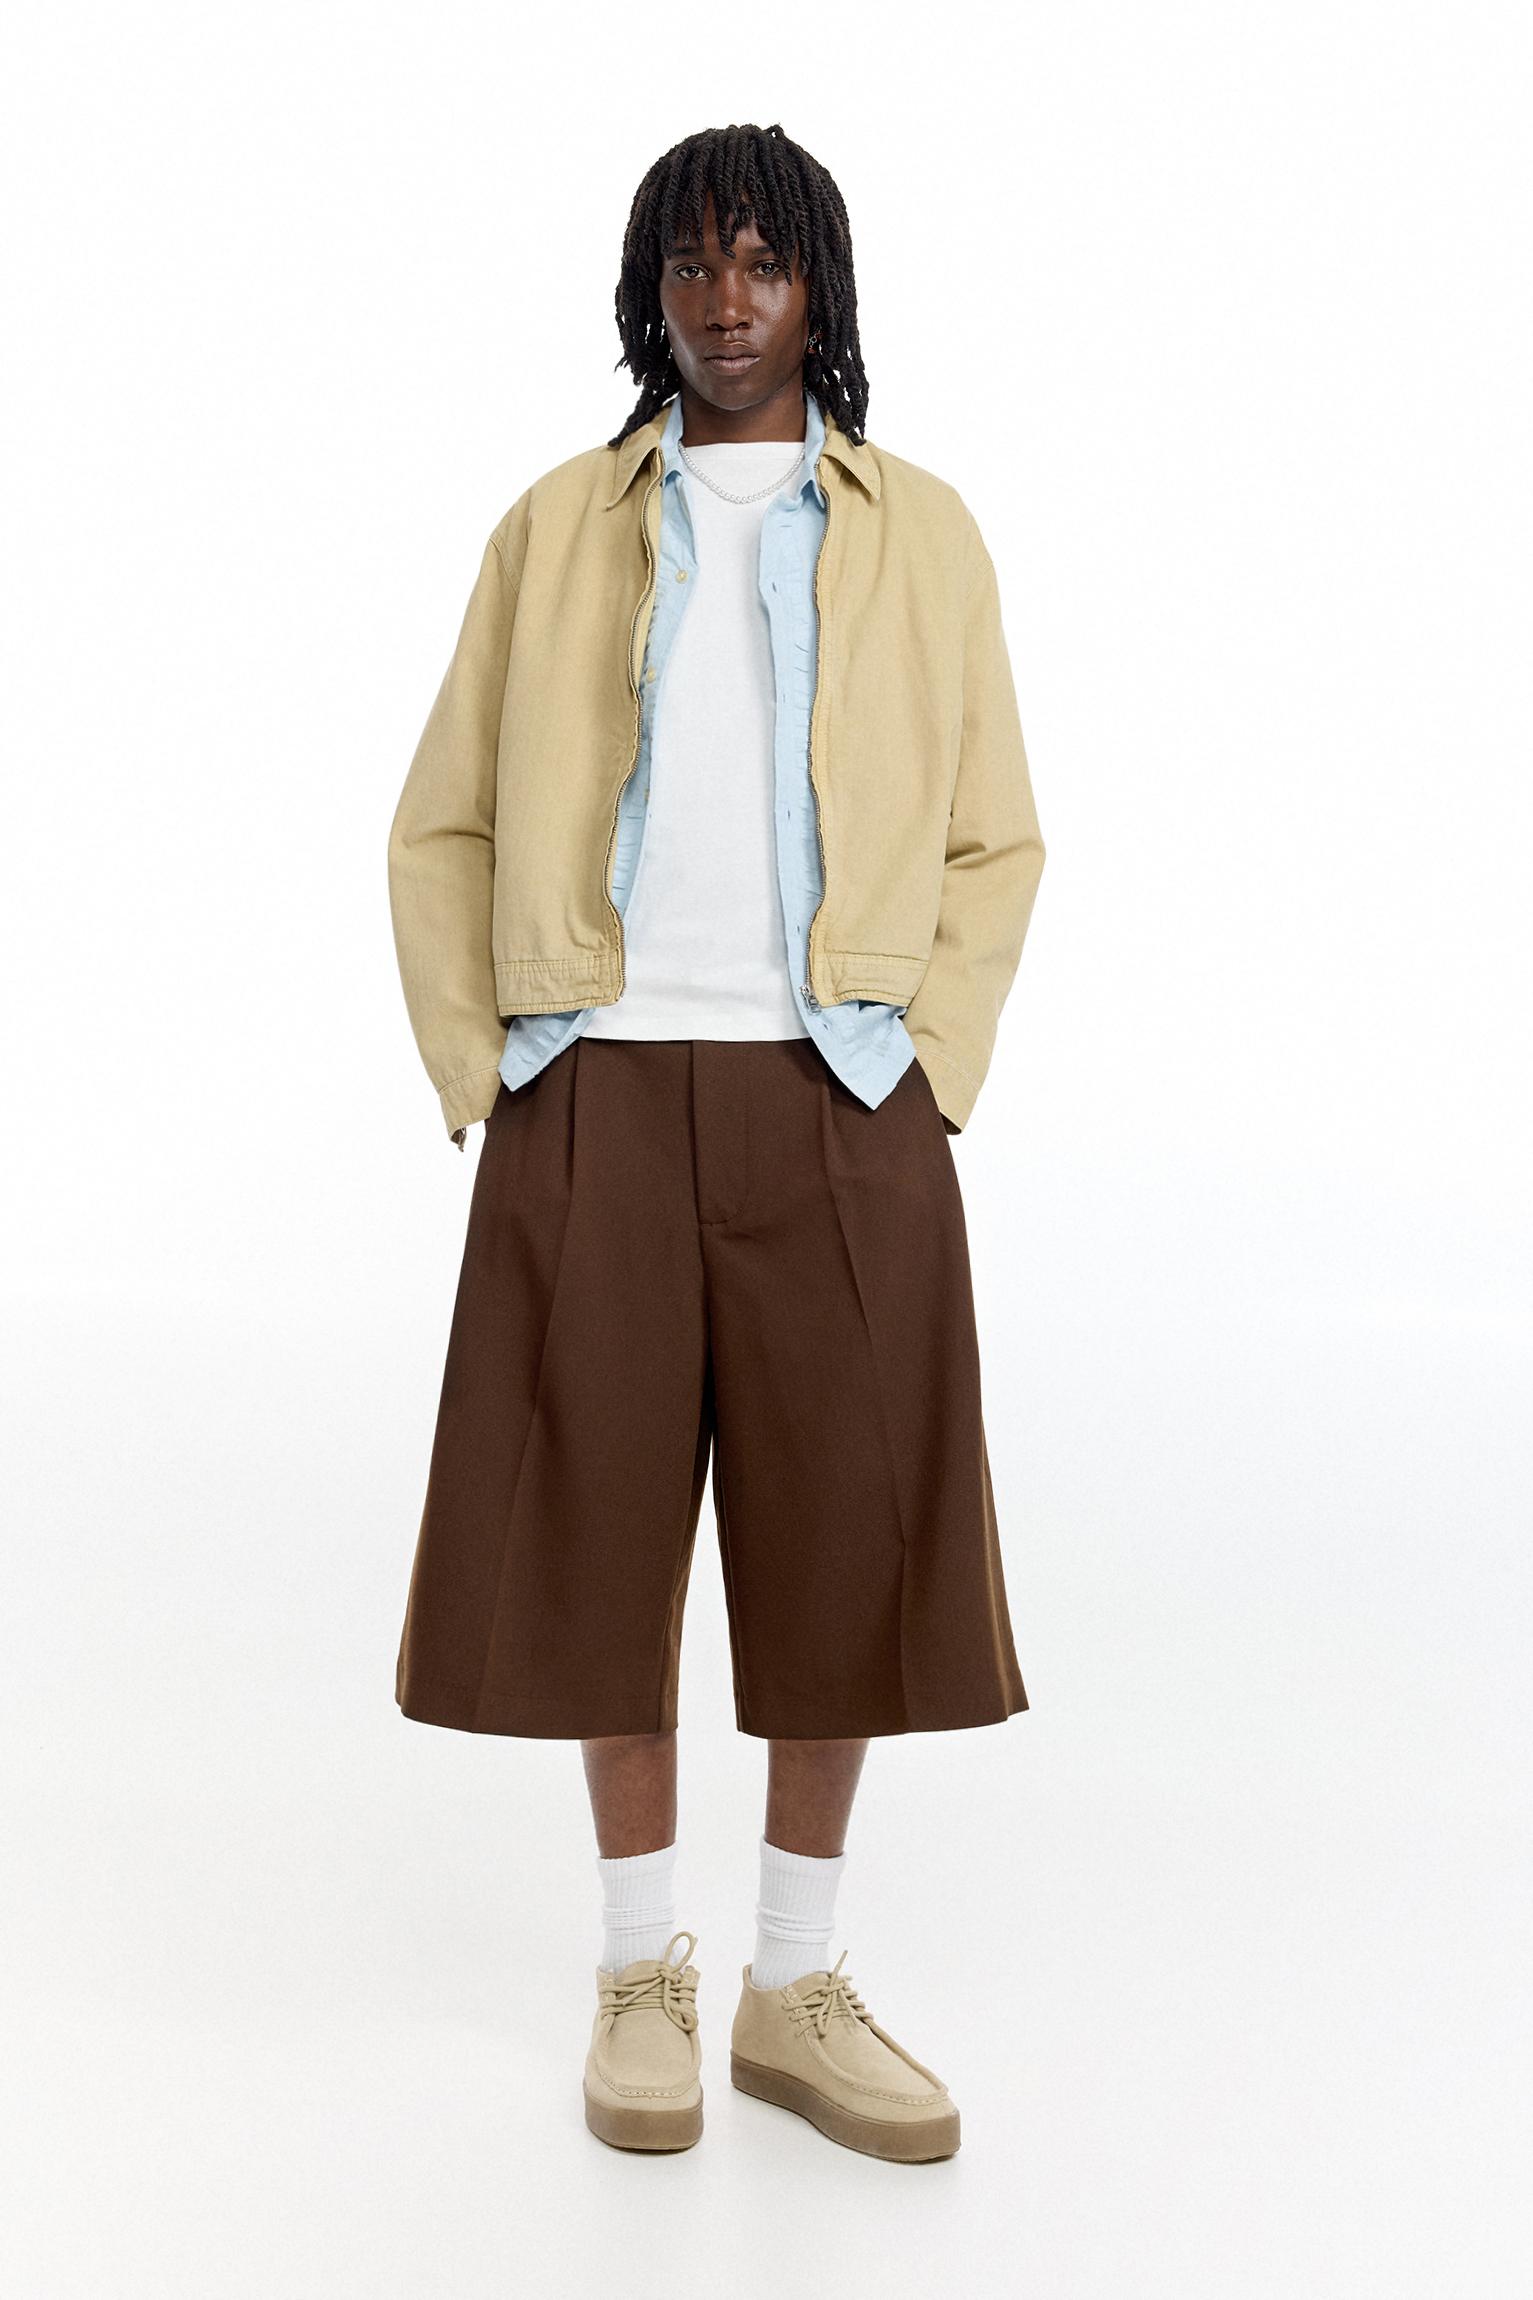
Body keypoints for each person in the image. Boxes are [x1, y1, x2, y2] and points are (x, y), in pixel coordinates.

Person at [386, 121, 1046, 2163]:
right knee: (589, 1539)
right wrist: (494, 1063)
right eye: (690, 264)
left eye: (761, 262)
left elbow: (994, 833)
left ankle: (793, 1982)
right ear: (645, 292)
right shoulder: (555, 527)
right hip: (594, 1082)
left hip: (837, 1093)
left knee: (847, 1540)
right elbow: (442, 818)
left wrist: (927, 1061)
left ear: (815, 288)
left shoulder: (921, 533)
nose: (725, 300)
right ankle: (634, 1975)